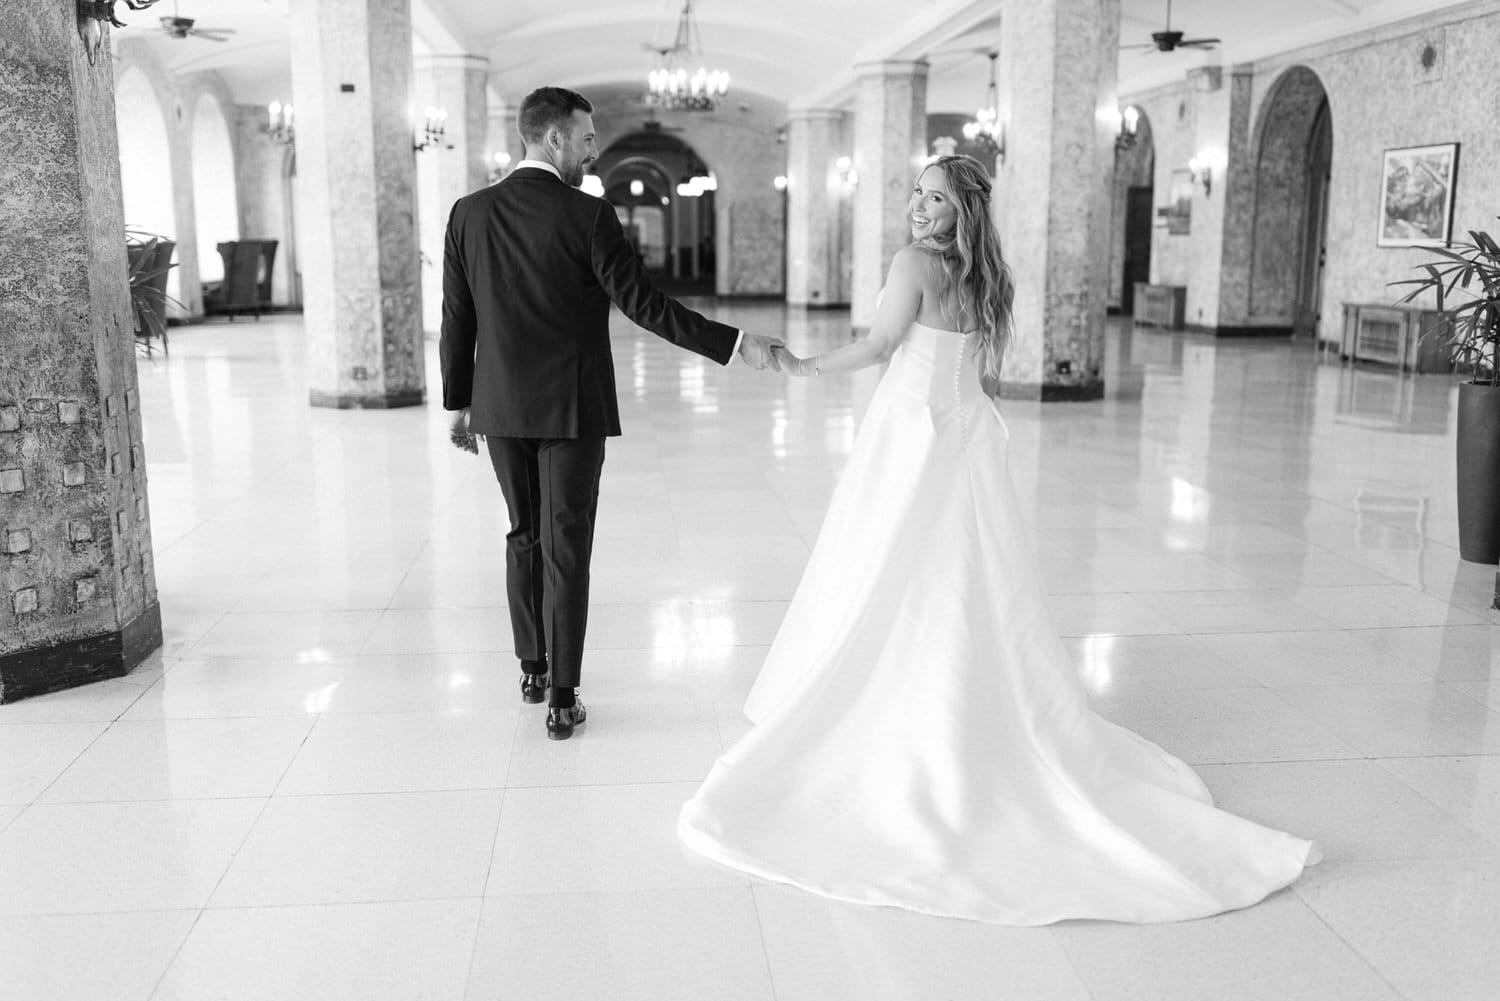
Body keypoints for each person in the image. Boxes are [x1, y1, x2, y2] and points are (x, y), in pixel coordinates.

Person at [677, 155, 1320, 924]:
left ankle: (896, 691)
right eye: (916, 192)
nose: (919, 206)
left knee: (887, 559)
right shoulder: (987, 272)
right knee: (959, 568)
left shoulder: (911, 262)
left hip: (911, 425)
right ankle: (964, 686)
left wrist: (807, 365)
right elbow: (974, 361)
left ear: (962, 209)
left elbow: (883, 345)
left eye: (936, 197)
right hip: (963, 427)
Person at [440, 86, 783, 740]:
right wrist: (735, 344)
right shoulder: (588, 216)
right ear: (553, 139)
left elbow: (457, 317)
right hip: (573, 407)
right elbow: (646, 305)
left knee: (522, 533)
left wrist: (460, 402)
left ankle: (532, 668)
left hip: (501, 406)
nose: (594, 148)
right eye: (588, 136)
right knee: (566, 544)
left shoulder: (468, 213)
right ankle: (563, 697)